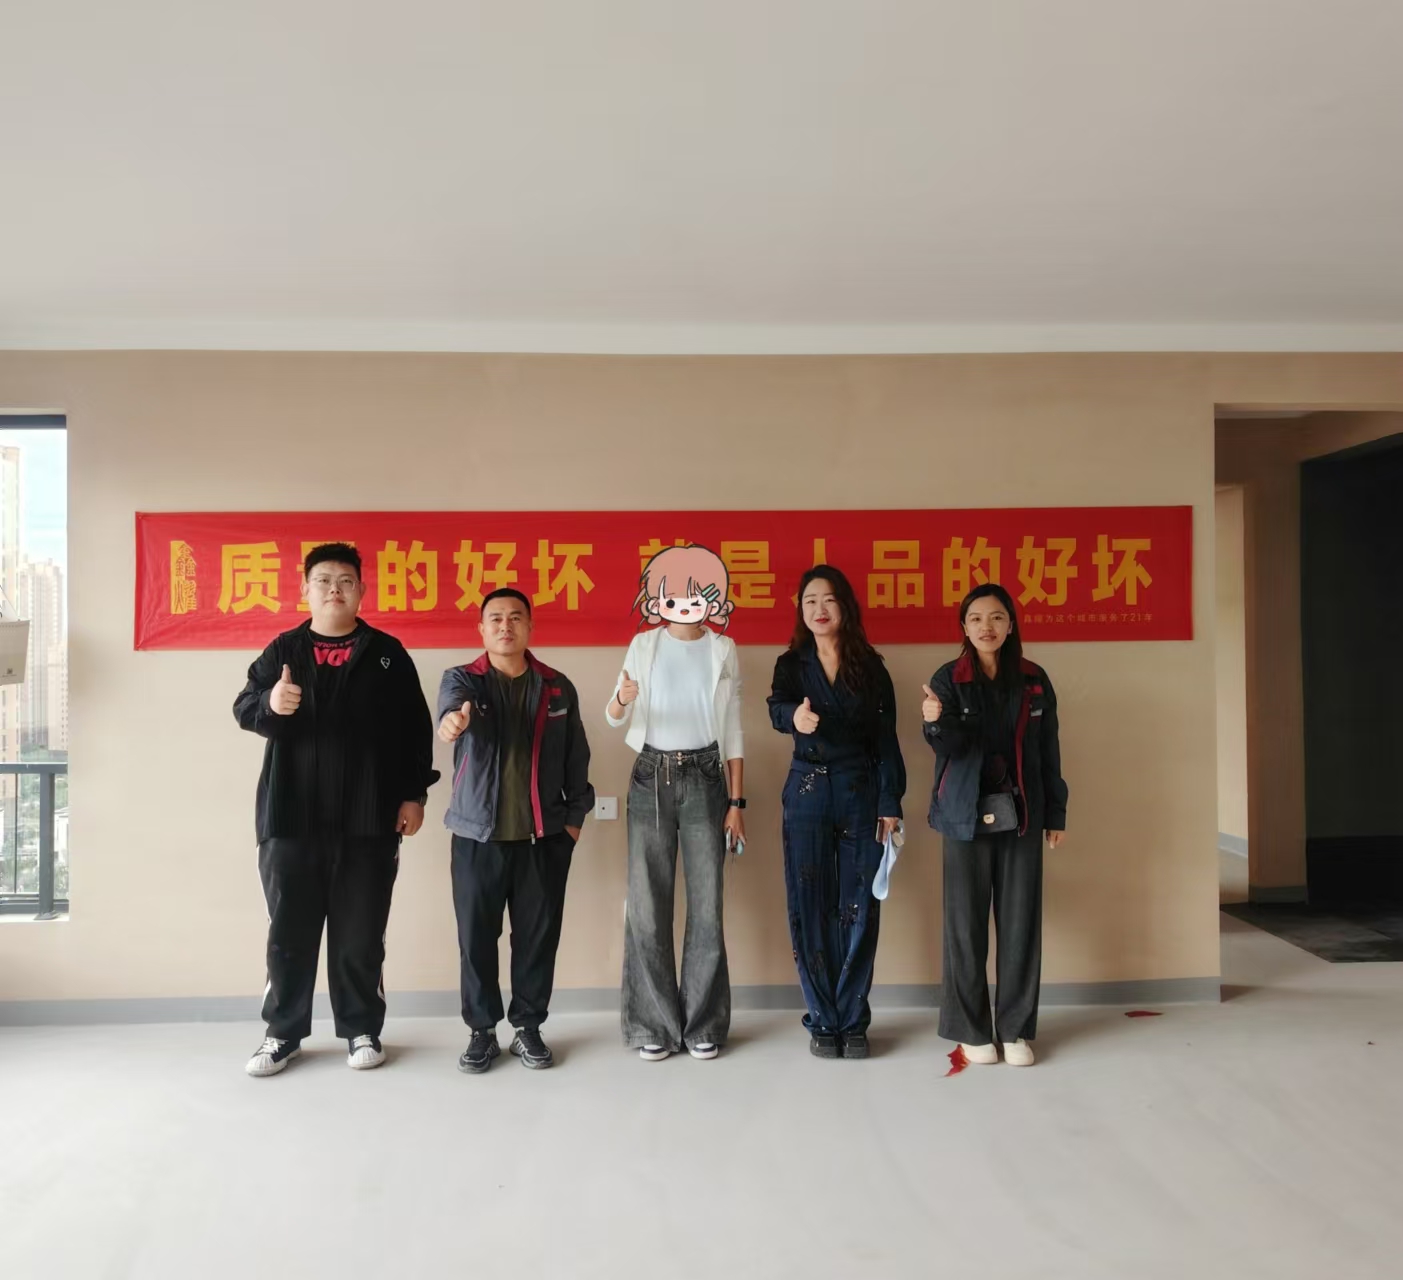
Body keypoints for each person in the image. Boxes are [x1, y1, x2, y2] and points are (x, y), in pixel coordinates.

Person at [234, 543, 438, 1077]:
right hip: (290, 818)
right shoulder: (283, 649)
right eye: (323, 580)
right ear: (305, 589)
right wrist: (270, 705)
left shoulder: (387, 654)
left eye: (345, 581)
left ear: (361, 591)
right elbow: (244, 706)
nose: (334, 589)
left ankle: (361, 1029)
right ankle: (281, 1034)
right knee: (288, 933)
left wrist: (414, 795)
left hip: (369, 819)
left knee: (361, 932)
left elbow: (416, 732)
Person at [438, 588, 594, 1073]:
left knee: (537, 940)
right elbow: (449, 714)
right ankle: (482, 1032)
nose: (505, 626)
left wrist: (572, 823)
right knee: (476, 940)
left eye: (515, 618)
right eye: (496, 618)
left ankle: (528, 1028)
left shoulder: (556, 686)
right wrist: (453, 723)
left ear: (529, 626)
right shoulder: (463, 679)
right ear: (481, 629)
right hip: (476, 838)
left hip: (542, 840)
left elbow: (577, 756)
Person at [607, 544, 744, 1061]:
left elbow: (734, 728)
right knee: (647, 905)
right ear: (656, 599)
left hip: (708, 776)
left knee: (708, 904)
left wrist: (737, 801)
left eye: (695, 595)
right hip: (651, 775)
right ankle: (652, 1024)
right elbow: (615, 715)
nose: (684, 604)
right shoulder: (643, 644)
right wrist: (621, 699)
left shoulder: (723, 649)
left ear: (713, 599)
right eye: (673, 596)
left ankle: (703, 1023)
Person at [923, 582, 1068, 1068]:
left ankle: (1015, 1030)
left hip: (1023, 814)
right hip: (963, 815)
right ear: (964, 628)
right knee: (964, 928)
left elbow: (1048, 750)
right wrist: (934, 720)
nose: (986, 626)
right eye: (976, 618)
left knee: (1020, 925)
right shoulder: (948, 679)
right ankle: (971, 1031)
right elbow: (946, 747)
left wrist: (1056, 813)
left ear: (1010, 625)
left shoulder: (1033, 679)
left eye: (997, 617)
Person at [767, 565, 905, 1060]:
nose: (819, 609)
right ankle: (822, 1018)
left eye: (828, 599)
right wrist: (794, 717)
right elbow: (775, 708)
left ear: (844, 606)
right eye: (810, 601)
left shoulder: (871, 667)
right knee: (808, 903)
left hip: (860, 792)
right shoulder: (790, 663)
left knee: (860, 905)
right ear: (801, 611)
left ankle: (853, 1019)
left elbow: (887, 740)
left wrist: (890, 801)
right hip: (806, 791)